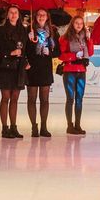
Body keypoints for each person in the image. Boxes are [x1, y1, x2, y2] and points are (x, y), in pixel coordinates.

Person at [0, 6, 29, 138]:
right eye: (11, 13)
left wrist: (25, 61)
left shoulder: (24, 30)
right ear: (7, 15)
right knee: (5, 98)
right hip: (5, 68)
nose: (13, 15)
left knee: (15, 98)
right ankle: (4, 128)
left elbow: (25, 49)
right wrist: (10, 53)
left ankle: (14, 127)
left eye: (16, 13)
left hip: (18, 68)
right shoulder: (0, 30)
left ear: (19, 15)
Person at [25, 8, 59, 137]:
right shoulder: (29, 30)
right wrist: (28, 39)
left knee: (44, 99)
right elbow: (23, 49)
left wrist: (49, 52)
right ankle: (34, 126)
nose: (41, 17)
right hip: (32, 68)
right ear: (35, 17)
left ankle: (44, 126)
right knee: (31, 99)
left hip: (45, 67)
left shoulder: (53, 31)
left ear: (47, 17)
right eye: (38, 15)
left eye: (43, 15)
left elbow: (58, 51)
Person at [59, 14, 92, 135]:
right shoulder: (65, 38)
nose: (79, 25)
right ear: (72, 24)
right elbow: (60, 55)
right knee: (70, 98)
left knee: (79, 99)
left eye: (81, 23)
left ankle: (78, 124)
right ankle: (70, 125)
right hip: (69, 71)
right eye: (76, 23)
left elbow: (91, 52)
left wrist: (89, 39)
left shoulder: (84, 38)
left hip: (81, 71)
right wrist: (74, 56)